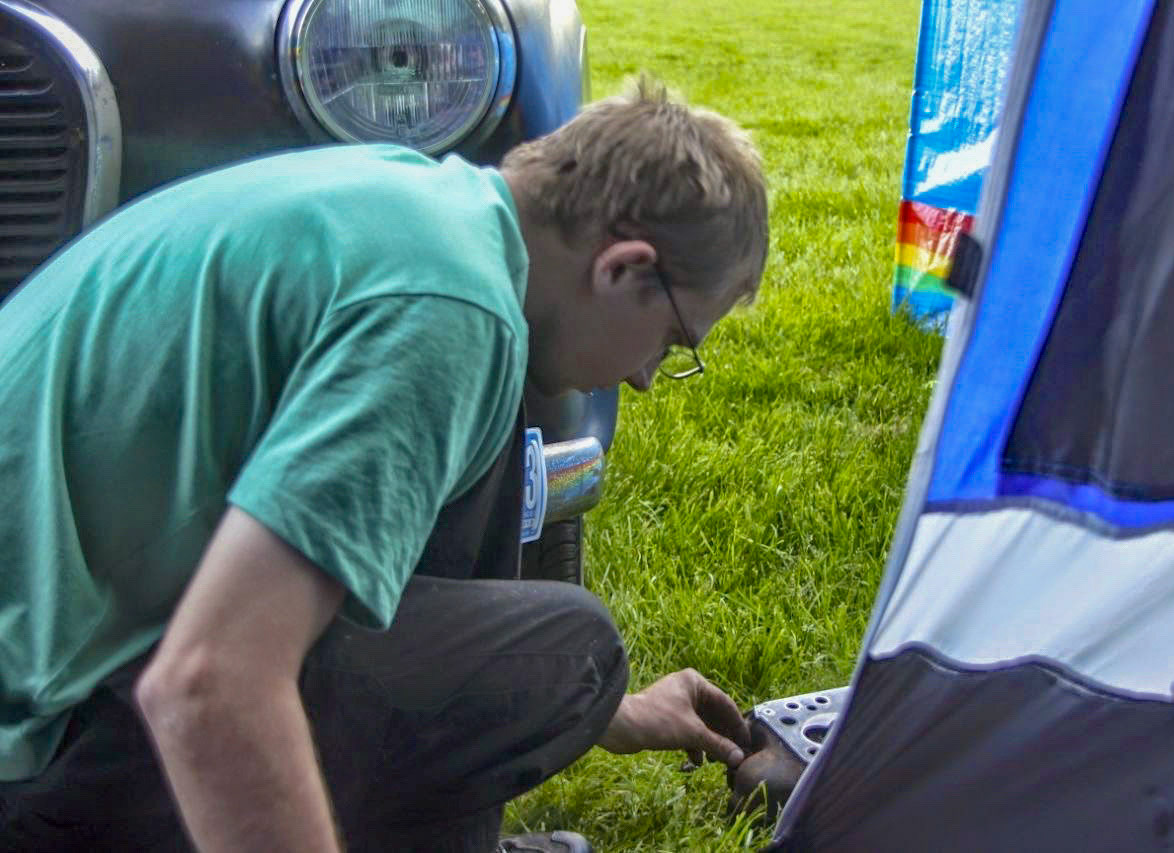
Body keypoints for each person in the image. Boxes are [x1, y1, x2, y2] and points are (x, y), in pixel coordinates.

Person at [0, 78, 769, 852]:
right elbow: (210, 680)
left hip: (56, 678)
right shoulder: (448, 310)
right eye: (672, 341)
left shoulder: (425, 215)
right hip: (34, 755)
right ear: (623, 268)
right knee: (576, 649)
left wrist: (610, 711)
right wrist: (573, 679)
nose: (645, 377)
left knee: (501, 470)